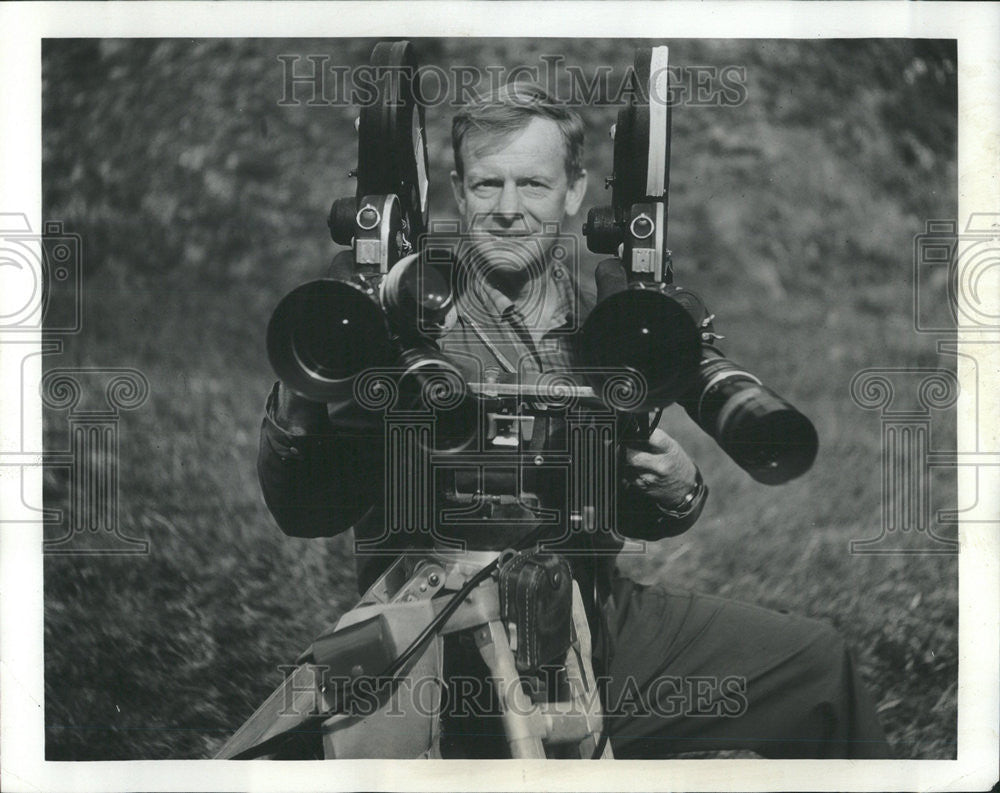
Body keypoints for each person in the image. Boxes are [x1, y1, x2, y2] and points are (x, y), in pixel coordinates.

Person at [257, 82, 892, 759]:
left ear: (574, 191)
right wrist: (301, 402)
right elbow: (308, 507)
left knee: (817, 669)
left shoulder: (608, 320)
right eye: (486, 184)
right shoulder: (402, 318)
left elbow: (635, 508)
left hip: (592, 623)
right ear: (455, 187)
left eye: (532, 184)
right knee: (298, 748)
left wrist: (677, 485)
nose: (507, 209)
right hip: (437, 639)